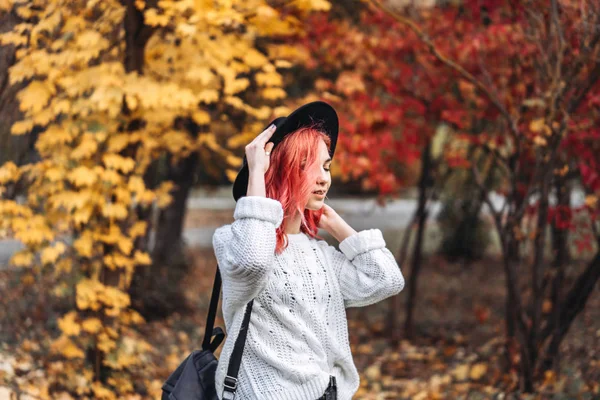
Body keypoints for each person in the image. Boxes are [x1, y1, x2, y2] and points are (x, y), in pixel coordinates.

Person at [212, 101, 405, 400]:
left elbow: (386, 279)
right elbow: (253, 262)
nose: (324, 178)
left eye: (326, 166)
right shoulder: (233, 242)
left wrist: (335, 223)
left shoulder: (319, 254)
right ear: (277, 171)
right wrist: (256, 173)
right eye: (309, 166)